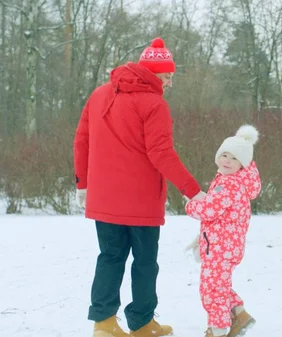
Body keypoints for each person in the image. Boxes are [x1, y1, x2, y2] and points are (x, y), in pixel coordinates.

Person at [73, 37, 206, 337]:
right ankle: (143, 323)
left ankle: (104, 323)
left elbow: (81, 140)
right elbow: (161, 153)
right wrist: (193, 190)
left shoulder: (99, 95)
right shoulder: (154, 103)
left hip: (104, 199)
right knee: (145, 262)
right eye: (167, 76)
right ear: (151, 72)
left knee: (110, 257)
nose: (170, 83)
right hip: (141, 201)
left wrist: (83, 183)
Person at [184, 125, 262, 337]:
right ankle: (239, 314)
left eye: (234, 158)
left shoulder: (228, 184)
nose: (227, 161)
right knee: (218, 284)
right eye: (224, 155)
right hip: (224, 244)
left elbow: (209, 210)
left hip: (220, 247)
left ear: (242, 164)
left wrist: (191, 205)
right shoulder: (234, 181)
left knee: (212, 290)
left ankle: (217, 330)